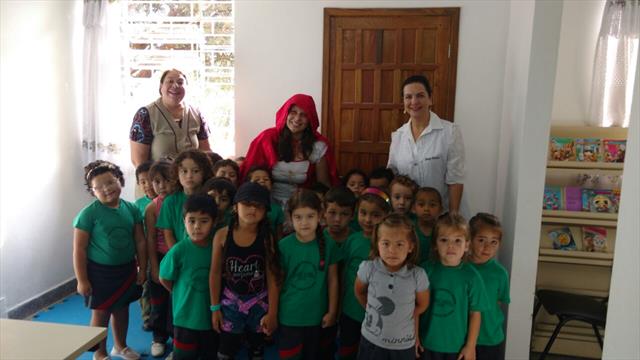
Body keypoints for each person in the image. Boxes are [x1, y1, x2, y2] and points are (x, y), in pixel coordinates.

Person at [73, 161, 146, 360]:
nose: (107, 188)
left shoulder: (131, 209)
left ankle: (120, 346)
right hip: (99, 274)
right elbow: (79, 249)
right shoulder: (88, 214)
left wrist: (142, 268)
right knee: (101, 313)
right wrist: (82, 279)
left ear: (120, 181)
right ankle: (100, 352)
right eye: (100, 186)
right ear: (92, 191)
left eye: (111, 182)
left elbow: (140, 241)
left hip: (126, 270)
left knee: (122, 309)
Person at [209, 182, 281, 359]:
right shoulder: (222, 236)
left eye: (258, 206)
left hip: (259, 304)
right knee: (225, 350)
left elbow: (273, 277)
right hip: (230, 305)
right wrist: (215, 308)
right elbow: (215, 273)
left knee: (257, 349)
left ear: (265, 212)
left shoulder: (267, 238)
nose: (252, 209)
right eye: (247, 203)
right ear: (235, 207)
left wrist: (272, 313)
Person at [240, 94, 339, 206]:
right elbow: (249, 176)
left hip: (301, 205)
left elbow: (323, 185)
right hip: (266, 202)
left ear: (310, 119)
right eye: (293, 112)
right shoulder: (266, 139)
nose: (297, 119)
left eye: (304, 115)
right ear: (285, 114)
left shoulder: (318, 145)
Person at [354, 214, 430, 359]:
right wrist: (372, 310)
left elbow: (423, 304)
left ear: (411, 246)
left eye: (399, 244)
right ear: (377, 244)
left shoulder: (417, 275)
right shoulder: (368, 268)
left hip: (403, 346)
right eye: (386, 243)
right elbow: (359, 292)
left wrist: (405, 315)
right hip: (371, 342)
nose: (392, 250)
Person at [387, 75, 465, 213]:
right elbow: (394, 177)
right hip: (407, 215)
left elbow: (455, 179)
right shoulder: (398, 136)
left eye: (420, 95)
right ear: (403, 102)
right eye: (408, 97)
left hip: (438, 215)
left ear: (430, 99)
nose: (414, 101)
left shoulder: (450, 132)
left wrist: (453, 215)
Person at [278, 189, 340, 359]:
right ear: (290, 218)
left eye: (310, 216)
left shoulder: (329, 245)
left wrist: (332, 311)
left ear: (320, 216)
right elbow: (277, 282)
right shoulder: (283, 246)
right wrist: (273, 313)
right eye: (298, 217)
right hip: (289, 316)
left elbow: (333, 280)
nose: (304, 222)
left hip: (317, 317)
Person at [419, 213, 488, 360]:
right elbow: (414, 307)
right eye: (444, 240)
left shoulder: (472, 277)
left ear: (467, 245)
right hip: (426, 343)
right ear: (435, 245)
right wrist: (414, 337)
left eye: (457, 240)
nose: (451, 246)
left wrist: (470, 346)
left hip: (457, 347)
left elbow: (475, 314)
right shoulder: (424, 271)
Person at [159, 194, 219, 359]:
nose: (197, 227)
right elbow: (164, 277)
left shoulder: (217, 247)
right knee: (184, 355)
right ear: (184, 221)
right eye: (191, 221)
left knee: (209, 354)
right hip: (184, 317)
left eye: (204, 221)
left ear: (213, 222)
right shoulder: (179, 250)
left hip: (210, 316)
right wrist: (178, 291)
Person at [338, 187, 392, 359]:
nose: (368, 220)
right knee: (348, 347)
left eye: (375, 215)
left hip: (378, 313)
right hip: (350, 308)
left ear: (386, 215)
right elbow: (343, 273)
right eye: (363, 213)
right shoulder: (352, 240)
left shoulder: (389, 244)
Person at [129, 69, 211, 167]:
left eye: (180, 82)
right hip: (159, 180)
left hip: (191, 179)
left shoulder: (197, 114)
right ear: (161, 87)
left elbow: (206, 154)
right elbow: (138, 162)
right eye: (170, 81)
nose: (175, 85)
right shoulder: (145, 115)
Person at [144, 159, 176, 357]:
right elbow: (150, 241)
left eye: (166, 180)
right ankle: (158, 337)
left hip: (177, 257)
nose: (162, 186)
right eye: (156, 181)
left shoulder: (181, 201)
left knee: (176, 303)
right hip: (160, 257)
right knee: (158, 302)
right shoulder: (151, 208)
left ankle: (178, 339)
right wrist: (154, 267)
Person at [467, 213, 510, 360]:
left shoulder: (500, 273)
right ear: (469, 240)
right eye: (481, 240)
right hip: (463, 337)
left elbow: (497, 302)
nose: (487, 247)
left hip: (491, 338)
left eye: (494, 242)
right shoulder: (461, 268)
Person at [157, 149, 213, 248]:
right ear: (176, 173)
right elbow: (168, 234)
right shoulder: (170, 202)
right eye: (184, 171)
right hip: (181, 254)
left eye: (195, 171)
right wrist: (177, 255)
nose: (189, 176)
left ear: (205, 173)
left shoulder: (210, 198)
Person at [133, 160, 157, 331]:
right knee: (146, 286)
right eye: (142, 181)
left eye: (151, 179)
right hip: (144, 253)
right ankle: (147, 316)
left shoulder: (165, 201)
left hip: (161, 249)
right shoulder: (137, 206)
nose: (147, 184)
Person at [246, 165, 285, 239]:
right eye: (257, 180)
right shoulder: (245, 207)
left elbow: (279, 235)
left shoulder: (277, 208)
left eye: (266, 179)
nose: (262, 181)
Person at [412, 187, 443, 263]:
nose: (426, 209)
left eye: (432, 205)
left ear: (440, 209)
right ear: (413, 208)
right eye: (421, 205)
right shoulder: (410, 228)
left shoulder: (443, 230)